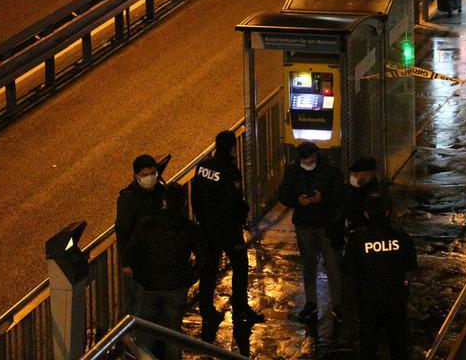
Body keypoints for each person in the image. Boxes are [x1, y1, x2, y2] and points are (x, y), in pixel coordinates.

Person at [191, 130, 265, 342]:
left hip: (207, 228)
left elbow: (195, 196)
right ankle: (240, 306)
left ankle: (206, 310)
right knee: (240, 266)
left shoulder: (203, 167)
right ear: (233, 147)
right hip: (228, 230)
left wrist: (202, 219)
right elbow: (234, 202)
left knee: (209, 270)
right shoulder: (230, 171)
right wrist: (242, 216)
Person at [126, 184, 205, 360]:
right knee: (173, 333)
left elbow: (132, 253)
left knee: (146, 333)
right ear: (183, 203)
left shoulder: (147, 224)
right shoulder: (187, 227)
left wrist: (141, 277)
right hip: (176, 286)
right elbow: (202, 256)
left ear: (164, 201)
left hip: (150, 286)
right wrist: (190, 279)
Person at [344, 191, 417, 360]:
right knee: (398, 346)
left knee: (368, 347)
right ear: (387, 212)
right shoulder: (403, 239)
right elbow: (411, 268)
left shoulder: (356, 240)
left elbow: (348, 271)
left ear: (366, 214)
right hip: (395, 300)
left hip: (367, 301)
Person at [278, 141, 345, 324]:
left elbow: (340, 195)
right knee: (308, 265)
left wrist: (322, 199)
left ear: (316, 155)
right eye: (304, 161)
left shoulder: (330, 170)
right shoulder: (292, 171)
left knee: (332, 265)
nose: (307, 164)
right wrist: (297, 201)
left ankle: (337, 304)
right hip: (304, 225)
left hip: (326, 224)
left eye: (310, 160)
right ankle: (311, 302)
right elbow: (283, 195)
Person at [115, 154, 169, 314]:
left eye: (152, 173)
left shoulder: (162, 191)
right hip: (139, 261)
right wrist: (126, 263)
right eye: (145, 175)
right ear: (136, 176)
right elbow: (123, 231)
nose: (150, 178)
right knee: (138, 302)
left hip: (159, 257)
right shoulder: (128, 199)